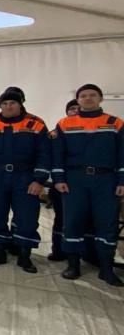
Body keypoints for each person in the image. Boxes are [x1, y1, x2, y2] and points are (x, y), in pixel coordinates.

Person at [51, 83, 124, 285]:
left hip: (106, 180)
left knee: (107, 222)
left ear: (100, 98)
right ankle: (73, 264)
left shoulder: (115, 123)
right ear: (78, 99)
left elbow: (122, 154)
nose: (88, 98)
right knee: (73, 221)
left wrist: (122, 180)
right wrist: (59, 179)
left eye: (93, 95)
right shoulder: (65, 124)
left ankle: (106, 267)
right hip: (75, 180)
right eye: (83, 95)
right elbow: (57, 154)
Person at [0, 88, 50, 273]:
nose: (8, 106)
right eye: (5, 103)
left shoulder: (36, 126)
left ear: (20, 104)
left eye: (13, 103)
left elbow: (45, 154)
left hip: (25, 178)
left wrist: (39, 180)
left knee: (27, 217)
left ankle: (24, 255)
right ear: (0, 105)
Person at [47, 98, 80, 261]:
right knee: (62, 218)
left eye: (78, 108)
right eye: (72, 108)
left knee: (86, 219)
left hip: (86, 182)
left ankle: (86, 253)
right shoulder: (55, 133)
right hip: (61, 182)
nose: (75, 111)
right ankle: (59, 251)